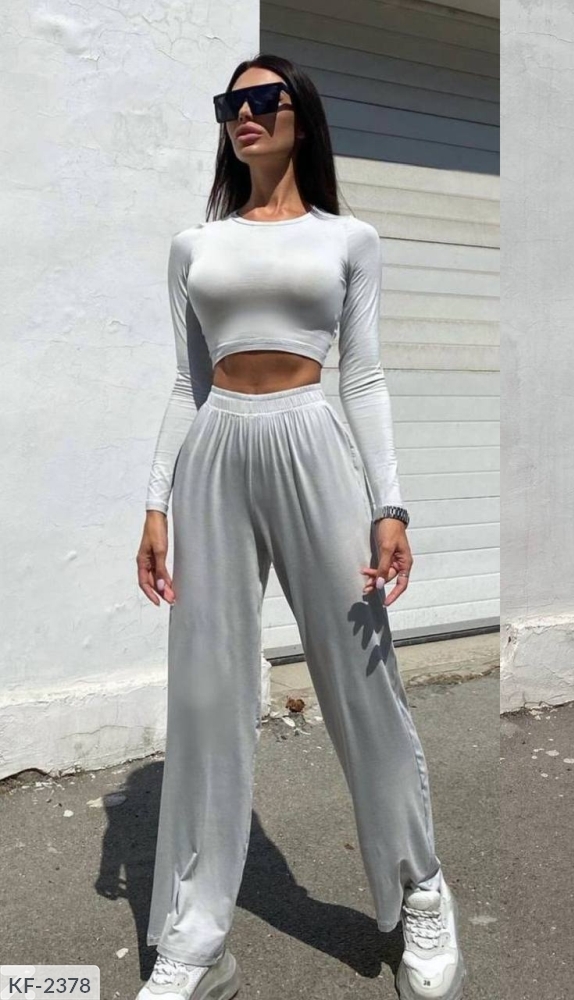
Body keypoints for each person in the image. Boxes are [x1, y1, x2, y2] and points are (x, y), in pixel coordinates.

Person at [134, 55, 465, 1000]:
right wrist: (155, 502)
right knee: (206, 694)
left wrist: (390, 504)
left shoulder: (348, 238)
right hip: (215, 455)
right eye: (230, 103)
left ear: (300, 117)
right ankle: (196, 937)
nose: (244, 114)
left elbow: (366, 375)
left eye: (262, 99)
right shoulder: (195, 246)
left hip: (313, 443)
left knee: (364, 681)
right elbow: (187, 381)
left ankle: (421, 887)